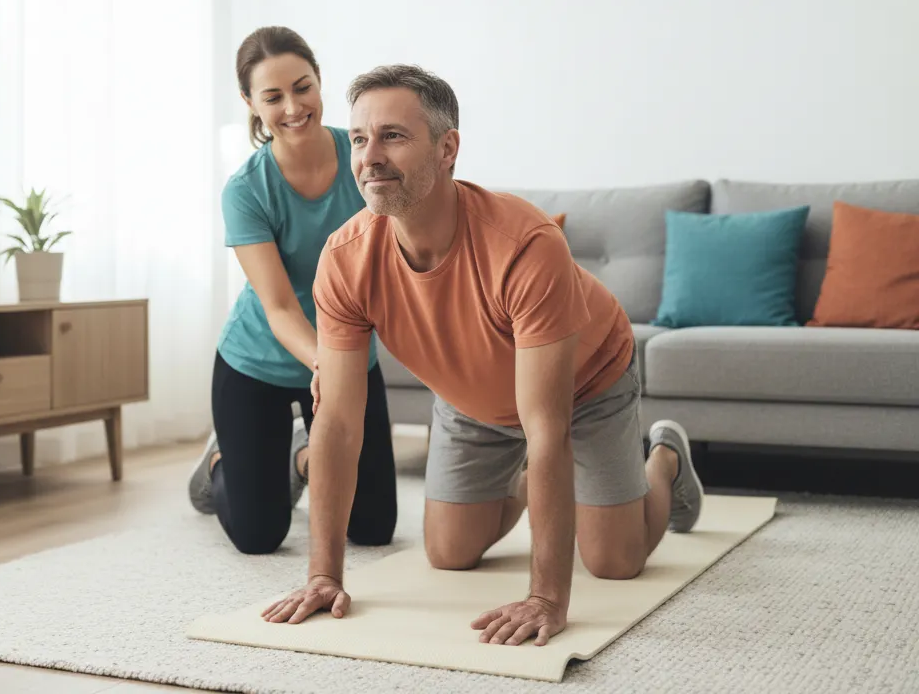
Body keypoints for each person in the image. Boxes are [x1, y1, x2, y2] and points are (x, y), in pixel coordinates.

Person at [261, 64, 704, 646]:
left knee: (613, 561)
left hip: (584, 386)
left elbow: (548, 429)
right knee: (448, 552)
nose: (370, 157)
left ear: (448, 149)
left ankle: (664, 460)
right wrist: (323, 575)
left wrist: (546, 596)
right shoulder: (344, 259)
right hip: (472, 399)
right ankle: (542, 484)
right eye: (360, 139)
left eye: (393, 136)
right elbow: (339, 422)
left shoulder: (524, 245)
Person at [187, 27, 398, 556]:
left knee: (372, 528)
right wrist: (329, 365)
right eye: (273, 96)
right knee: (260, 536)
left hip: (347, 355)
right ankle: (219, 462)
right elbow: (278, 305)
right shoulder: (245, 190)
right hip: (257, 361)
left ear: (320, 81)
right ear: (250, 103)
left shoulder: (364, 162)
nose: (293, 107)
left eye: (302, 87)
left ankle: (303, 458)